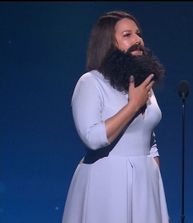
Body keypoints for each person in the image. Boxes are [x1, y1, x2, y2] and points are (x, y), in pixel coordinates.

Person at [62, 10, 169, 223]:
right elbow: (92, 137)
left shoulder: (142, 83)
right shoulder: (91, 83)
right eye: (127, 35)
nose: (138, 40)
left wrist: (152, 166)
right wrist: (133, 106)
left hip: (145, 184)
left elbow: (148, 131)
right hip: (106, 182)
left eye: (138, 34)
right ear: (108, 44)